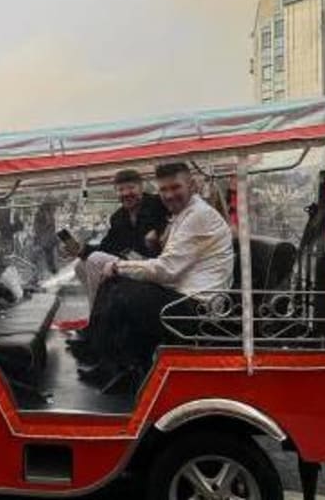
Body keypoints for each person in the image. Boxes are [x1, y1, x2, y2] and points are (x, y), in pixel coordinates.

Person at [79, 162, 234, 391]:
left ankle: (113, 361)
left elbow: (166, 270)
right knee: (117, 285)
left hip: (197, 307)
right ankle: (118, 363)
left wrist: (119, 266)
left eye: (175, 188)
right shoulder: (182, 214)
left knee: (120, 289)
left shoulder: (198, 215)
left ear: (191, 185)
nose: (169, 195)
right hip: (182, 294)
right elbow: (166, 264)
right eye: (164, 190)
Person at [71, 169, 169, 308]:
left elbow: (173, 220)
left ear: (141, 187)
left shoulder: (158, 203)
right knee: (80, 265)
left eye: (131, 188)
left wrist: (158, 232)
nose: (126, 193)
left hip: (156, 264)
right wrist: (83, 250)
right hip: (131, 261)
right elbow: (108, 246)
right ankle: (99, 309)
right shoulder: (118, 217)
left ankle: (98, 319)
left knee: (95, 259)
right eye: (121, 190)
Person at [32, 200, 58, 275]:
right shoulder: (41, 215)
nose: (52, 208)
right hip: (44, 240)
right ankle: (41, 273)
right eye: (50, 206)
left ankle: (51, 271)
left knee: (49, 257)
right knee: (41, 258)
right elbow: (37, 228)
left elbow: (51, 227)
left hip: (48, 240)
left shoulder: (48, 214)